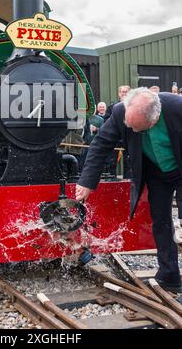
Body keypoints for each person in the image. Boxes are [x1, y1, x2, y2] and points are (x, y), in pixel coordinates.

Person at [76, 87, 182, 292]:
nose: (133, 132)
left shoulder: (177, 108)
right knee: (160, 221)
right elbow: (100, 145)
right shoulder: (119, 112)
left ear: (154, 118)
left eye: (139, 129)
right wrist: (87, 182)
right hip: (156, 173)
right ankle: (169, 276)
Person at [104, 85, 131, 178]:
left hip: (128, 137)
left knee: (129, 162)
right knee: (112, 161)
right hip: (115, 138)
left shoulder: (133, 107)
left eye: (126, 92)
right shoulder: (112, 108)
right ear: (119, 94)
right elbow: (106, 121)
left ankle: (128, 180)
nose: (124, 93)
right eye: (122, 92)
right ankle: (112, 180)